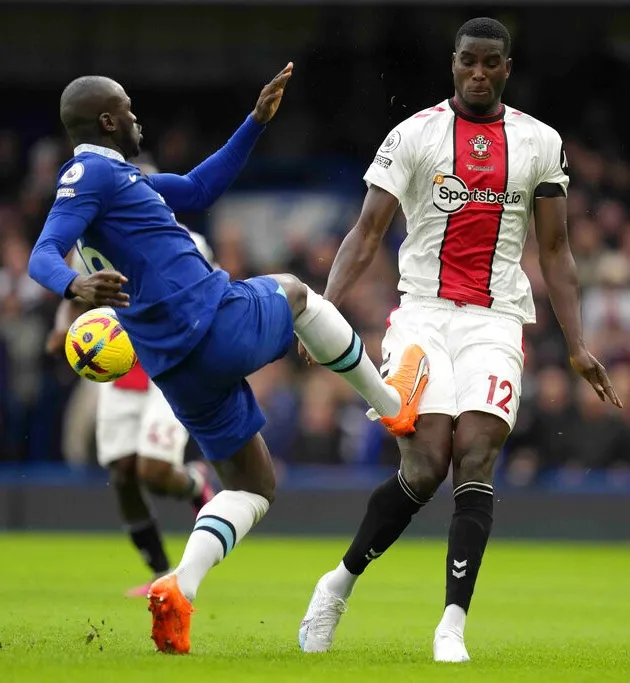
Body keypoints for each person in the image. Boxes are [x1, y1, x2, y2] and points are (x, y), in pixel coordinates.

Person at [28, 64, 429, 654]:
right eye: (128, 107)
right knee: (294, 292)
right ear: (108, 120)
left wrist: (253, 123)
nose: (137, 116)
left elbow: (197, 190)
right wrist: (72, 288)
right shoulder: (90, 174)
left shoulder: (119, 179)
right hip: (207, 317)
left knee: (255, 486)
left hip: (174, 364)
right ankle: (393, 405)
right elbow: (43, 251)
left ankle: (180, 588)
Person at [298, 17, 622, 663]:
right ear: (452, 63)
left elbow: (556, 249)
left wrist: (579, 344)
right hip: (421, 313)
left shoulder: (539, 141)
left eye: (490, 63)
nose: (478, 72)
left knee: (475, 453)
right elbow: (365, 233)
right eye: (468, 61)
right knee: (424, 465)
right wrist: (324, 312)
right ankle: (337, 582)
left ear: (506, 67)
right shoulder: (413, 135)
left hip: (497, 319)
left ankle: (451, 624)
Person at [46, 207, 216, 598]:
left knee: (153, 472)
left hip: (169, 366)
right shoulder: (91, 242)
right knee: (123, 474)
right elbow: (73, 297)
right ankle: (159, 571)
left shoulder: (189, 241)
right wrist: (62, 331)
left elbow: (211, 295)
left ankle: (194, 482)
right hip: (119, 365)